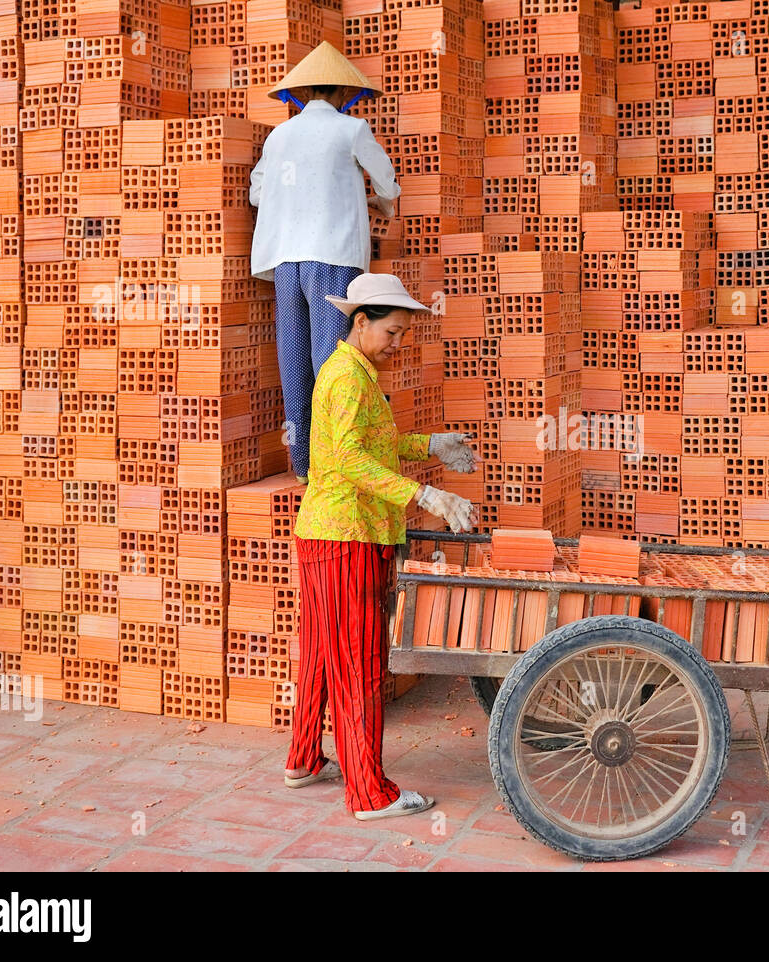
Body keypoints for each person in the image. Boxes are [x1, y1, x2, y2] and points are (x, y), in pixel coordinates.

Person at [283, 273, 479, 820]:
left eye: (402, 335)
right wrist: (426, 494)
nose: (396, 344)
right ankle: (369, 792)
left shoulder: (355, 372)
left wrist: (429, 445)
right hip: (348, 537)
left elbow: (374, 444)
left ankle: (303, 758)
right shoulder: (347, 377)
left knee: (323, 654)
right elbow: (347, 459)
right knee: (360, 664)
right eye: (391, 332)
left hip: (329, 535)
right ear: (360, 322)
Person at [248, 40, 401, 484]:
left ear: (304, 92)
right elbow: (388, 184)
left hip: (285, 261)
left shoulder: (280, 136)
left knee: (292, 358)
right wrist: (378, 203)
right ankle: (337, 462)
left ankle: (304, 466)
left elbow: (258, 193)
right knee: (333, 361)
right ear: (341, 93)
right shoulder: (352, 129)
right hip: (332, 256)